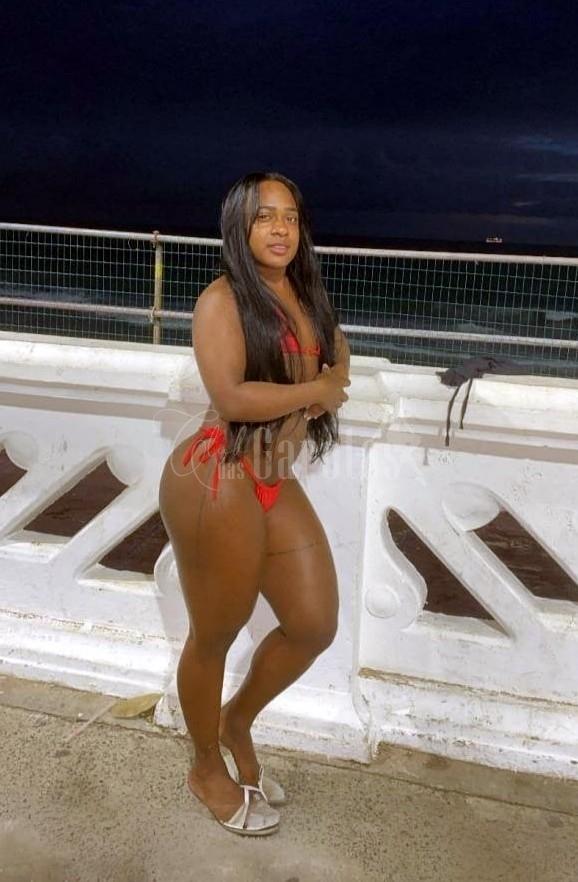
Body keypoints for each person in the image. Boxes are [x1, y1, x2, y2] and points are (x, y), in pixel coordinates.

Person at [159, 171, 350, 836]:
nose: (280, 229)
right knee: (214, 633)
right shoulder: (222, 301)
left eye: (290, 217)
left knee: (314, 622)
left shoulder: (304, 293)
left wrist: (329, 380)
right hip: (219, 477)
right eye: (265, 216)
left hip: (274, 479)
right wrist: (316, 392)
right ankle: (205, 766)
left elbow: (337, 358)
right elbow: (234, 398)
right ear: (238, 226)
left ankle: (236, 721)